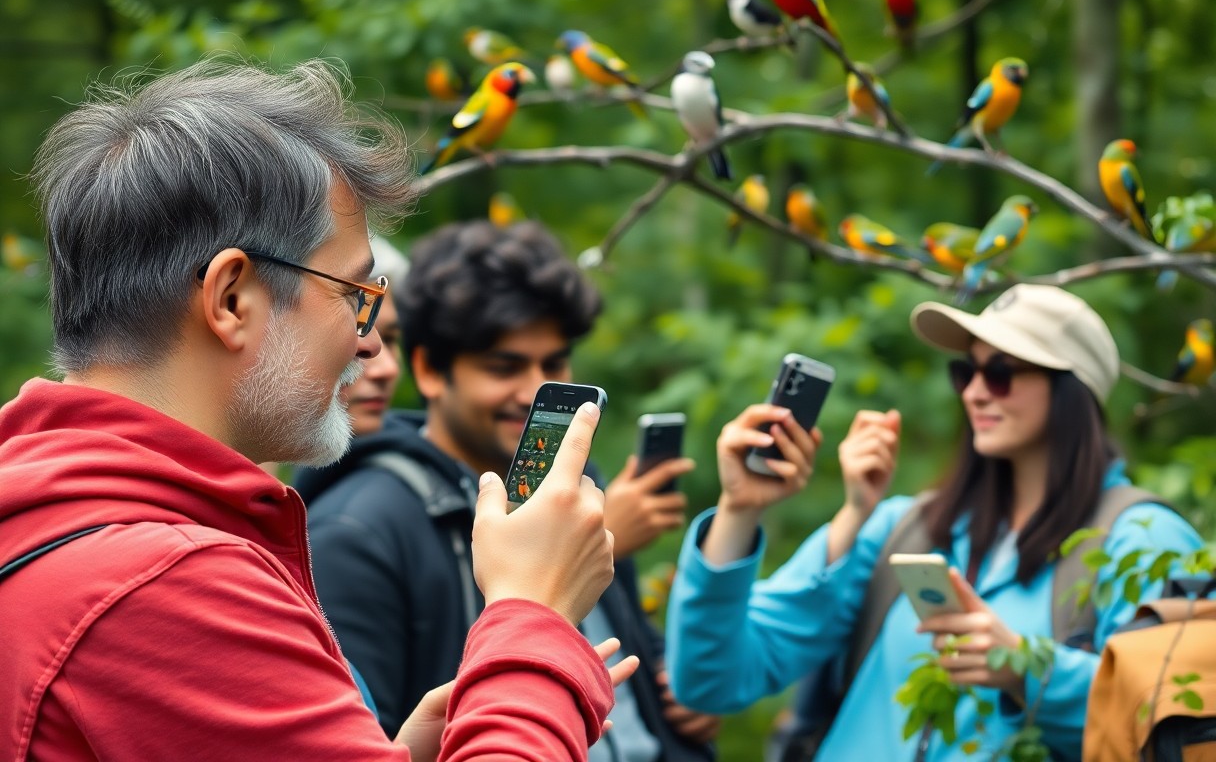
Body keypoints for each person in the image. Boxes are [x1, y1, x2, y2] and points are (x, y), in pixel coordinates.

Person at [0, 57, 635, 761]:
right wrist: (533, 615)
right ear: (231, 299)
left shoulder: (50, 519)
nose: (370, 347)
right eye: (353, 295)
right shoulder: (168, 583)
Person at [665, 284, 1203, 761]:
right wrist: (741, 509)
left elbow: (1172, 711)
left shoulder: (1145, 539)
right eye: (966, 371)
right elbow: (710, 680)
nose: (974, 392)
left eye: (1001, 372)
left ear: (1071, 390)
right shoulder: (903, 526)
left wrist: (1027, 669)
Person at [299, 219, 720, 760]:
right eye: (504, 367)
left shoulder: (579, 494)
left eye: (553, 363)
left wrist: (677, 694)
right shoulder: (357, 530)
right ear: (429, 371)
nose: (533, 390)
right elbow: (360, 744)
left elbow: (629, 649)